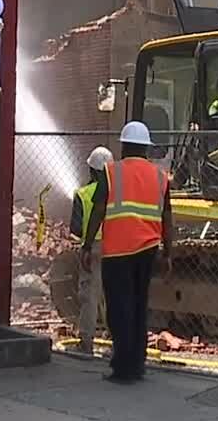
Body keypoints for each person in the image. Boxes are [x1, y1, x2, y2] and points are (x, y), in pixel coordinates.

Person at [80, 121, 174, 383]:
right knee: (138, 304)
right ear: (146, 148)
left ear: (124, 146)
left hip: (117, 251)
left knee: (119, 308)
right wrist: (168, 253)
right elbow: (168, 217)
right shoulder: (160, 177)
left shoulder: (111, 173)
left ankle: (123, 368)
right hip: (147, 250)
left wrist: (87, 246)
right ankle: (138, 364)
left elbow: (99, 209)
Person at [70, 146, 113, 353]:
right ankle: (118, 343)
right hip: (116, 246)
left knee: (90, 295)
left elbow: (76, 229)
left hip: (92, 248)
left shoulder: (82, 194)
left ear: (92, 170)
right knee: (113, 295)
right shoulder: (118, 193)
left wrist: (86, 245)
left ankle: (86, 342)